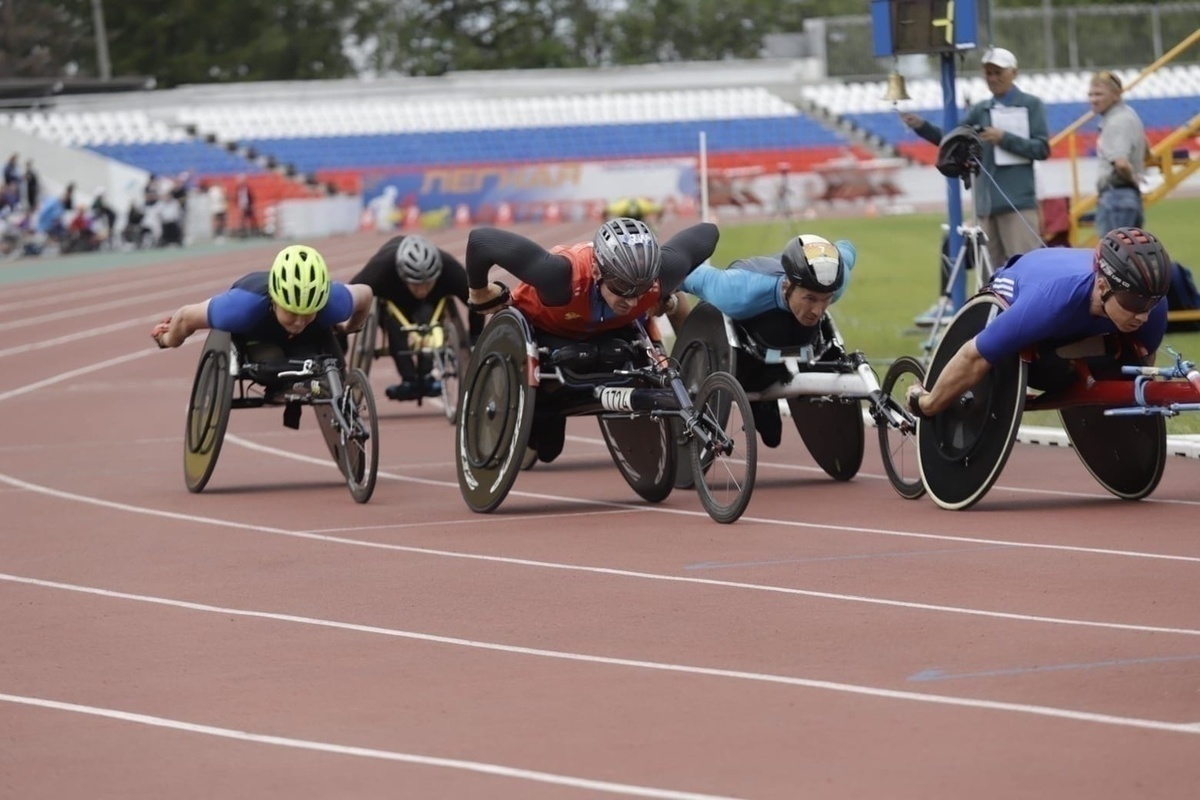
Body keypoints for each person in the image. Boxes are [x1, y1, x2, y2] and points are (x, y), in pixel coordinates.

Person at [465, 216, 719, 464]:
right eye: (621, 288)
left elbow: (708, 233)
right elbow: (480, 241)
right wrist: (479, 293)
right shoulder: (558, 276)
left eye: (638, 292)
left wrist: (667, 297)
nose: (631, 301)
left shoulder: (661, 275)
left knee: (659, 314)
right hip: (547, 335)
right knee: (548, 448)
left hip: (611, 333)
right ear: (599, 271)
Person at [907, 227, 1172, 420]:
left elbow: (1141, 372)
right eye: (1135, 305)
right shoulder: (1049, 303)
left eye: (1152, 303)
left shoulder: (1152, 306)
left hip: (1070, 315)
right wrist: (928, 404)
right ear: (1102, 286)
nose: (1144, 316)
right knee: (1046, 368)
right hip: (1022, 291)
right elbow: (973, 355)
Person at [151, 245, 375, 428]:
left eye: (307, 313)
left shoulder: (334, 303)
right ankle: (281, 386)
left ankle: (306, 385)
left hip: (311, 336)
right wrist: (167, 339)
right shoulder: (240, 308)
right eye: (291, 312)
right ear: (275, 300)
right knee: (272, 362)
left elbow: (365, 294)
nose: (298, 321)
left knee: (328, 371)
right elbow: (185, 318)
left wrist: (348, 327)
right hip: (256, 334)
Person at [902, 47, 1049, 322]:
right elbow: (953, 140)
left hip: (1018, 203)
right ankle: (993, 328)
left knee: (1028, 271)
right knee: (989, 278)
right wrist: (922, 126)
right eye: (988, 73)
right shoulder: (981, 110)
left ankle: (1034, 324)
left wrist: (1005, 138)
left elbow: (1041, 148)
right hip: (984, 206)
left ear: (1013, 73)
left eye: (998, 72)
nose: (992, 78)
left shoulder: (1031, 105)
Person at [678, 234, 856, 447]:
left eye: (825, 300)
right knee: (779, 324)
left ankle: (771, 378)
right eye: (810, 298)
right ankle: (757, 385)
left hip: (784, 326)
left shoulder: (833, 280)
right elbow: (684, 272)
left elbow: (846, 248)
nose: (818, 310)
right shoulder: (737, 291)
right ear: (788, 285)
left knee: (800, 326)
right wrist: (659, 293)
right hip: (747, 321)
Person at [348, 234, 483, 401]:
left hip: (431, 306)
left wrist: (475, 335)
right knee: (394, 322)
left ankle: (427, 375)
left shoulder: (450, 269)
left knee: (426, 312)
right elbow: (350, 296)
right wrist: (342, 335)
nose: (422, 289)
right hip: (394, 301)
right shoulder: (382, 268)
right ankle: (409, 379)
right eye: (416, 284)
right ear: (403, 275)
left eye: (427, 283)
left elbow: (478, 301)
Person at [1089, 70, 1147, 236]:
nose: (1093, 99)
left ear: (1116, 95)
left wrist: (1133, 179)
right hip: (1125, 197)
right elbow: (1146, 145)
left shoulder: (1116, 122)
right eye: (1091, 94)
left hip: (1116, 196)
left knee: (1112, 257)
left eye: (1099, 94)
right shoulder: (1129, 115)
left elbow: (1120, 163)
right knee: (1129, 255)